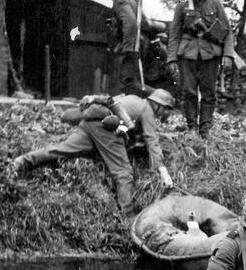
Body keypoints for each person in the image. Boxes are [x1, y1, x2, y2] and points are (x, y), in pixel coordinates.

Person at [10, 89, 175, 212]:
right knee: (123, 172)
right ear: (159, 105)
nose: (166, 114)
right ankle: (128, 216)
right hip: (107, 129)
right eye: (167, 109)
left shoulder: (134, 99)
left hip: (89, 122)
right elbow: (152, 141)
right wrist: (164, 173)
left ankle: (20, 162)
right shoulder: (147, 110)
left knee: (63, 150)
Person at [167, 0, 231, 137]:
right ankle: (191, 127)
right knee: (189, 91)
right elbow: (174, 33)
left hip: (210, 54)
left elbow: (227, 31)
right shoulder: (182, 5)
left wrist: (227, 54)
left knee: (209, 92)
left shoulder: (215, 3)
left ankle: (205, 129)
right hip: (187, 53)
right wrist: (172, 58)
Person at [94, 0, 143, 97]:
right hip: (133, 47)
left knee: (126, 84)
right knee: (129, 84)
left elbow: (130, 23)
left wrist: (127, 49)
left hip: (129, 50)